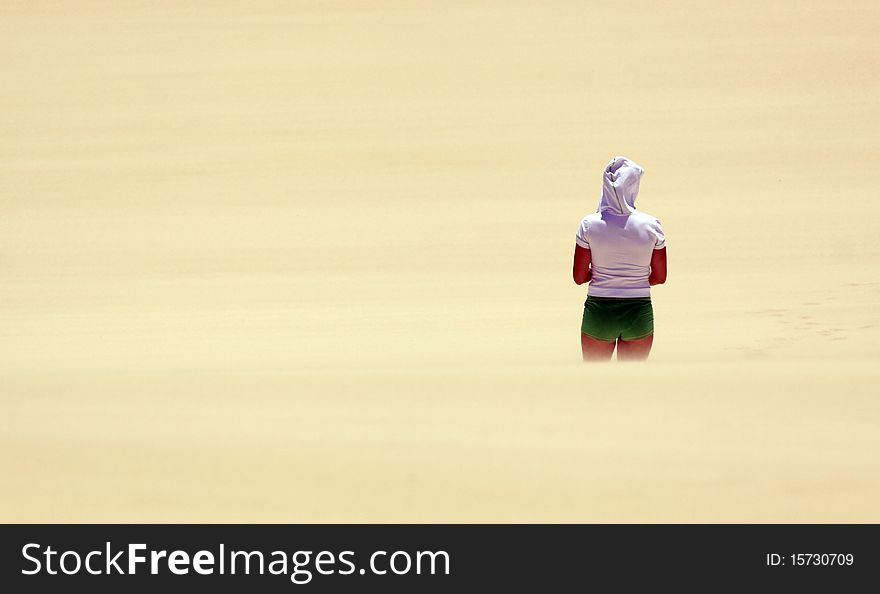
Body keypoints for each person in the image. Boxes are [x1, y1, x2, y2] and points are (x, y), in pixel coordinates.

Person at [572, 156, 667, 361]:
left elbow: (579, 277)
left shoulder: (589, 224)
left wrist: (604, 274)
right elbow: (660, 277)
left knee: (594, 381)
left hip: (600, 311)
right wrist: (635, 279)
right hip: (638, 309)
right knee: (632, 383)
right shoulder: (652, 225)